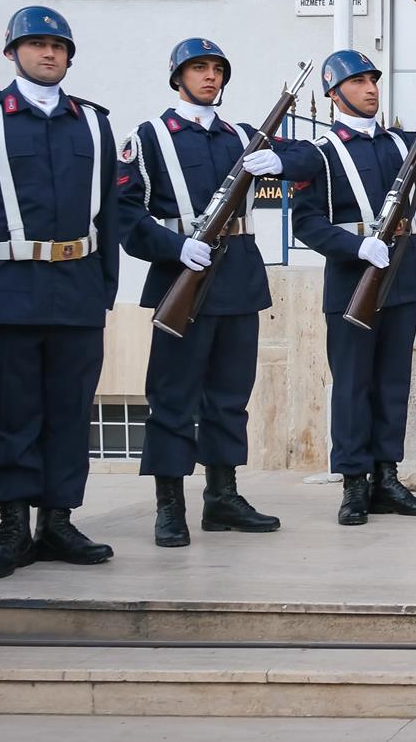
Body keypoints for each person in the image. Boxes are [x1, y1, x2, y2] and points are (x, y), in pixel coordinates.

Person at [0, 7, 122, 580]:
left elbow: (109, 216)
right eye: (36, 44)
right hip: (11, 291)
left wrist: (104, 290)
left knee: (70, 412)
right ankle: (13, 528)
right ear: (12, 52)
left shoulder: (93, 122)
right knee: (12, 413)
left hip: (77, 290)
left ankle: (58, 522)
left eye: (58, 46)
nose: (49, 54)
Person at [284, 50, 416, 525]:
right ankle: (354, 483)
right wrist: (354, 248)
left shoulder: (399, 144)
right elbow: (305, 224)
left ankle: (388, 477)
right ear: (333, 93)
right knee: (353, 386)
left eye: (373, 79)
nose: (370, 88)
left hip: (401, 277)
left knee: (393, 384)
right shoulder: (321, 153)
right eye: (358, 81)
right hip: (353, 279)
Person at [118, 38, 285, 548]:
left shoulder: (241, 136)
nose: (210, 77)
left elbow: (297, 171)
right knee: (173, 398)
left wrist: (281, 167)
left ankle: (222, 497)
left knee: (230, 398)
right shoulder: (149, 137)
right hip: (182, 279)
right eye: (199, 68)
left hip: (237, 281)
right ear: (178, 77)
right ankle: (170, 506)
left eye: (217, 69)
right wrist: (174, 248)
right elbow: (125, 216)